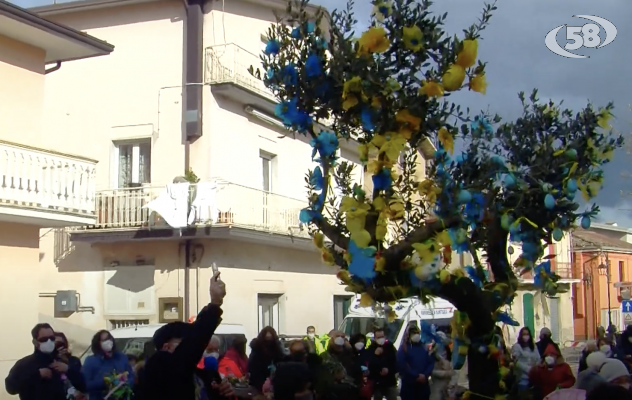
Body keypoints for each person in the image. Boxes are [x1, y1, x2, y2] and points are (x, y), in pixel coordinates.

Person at [135, 270, 233, 400]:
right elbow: (194, 343)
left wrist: (221, 394)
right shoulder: (157, 367)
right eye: (185, 342)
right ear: (167, 347)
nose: (197, 348)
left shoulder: (199, 374)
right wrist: (215, 304)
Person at [5, 323, 86, 400]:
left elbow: (84, 385)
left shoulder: (64, 361)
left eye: (52, 338)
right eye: (44, 339)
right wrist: (37, 375)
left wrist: (68, 369)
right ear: (35, 342)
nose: (49, 341)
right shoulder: (25, 364)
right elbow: (11, 388)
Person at [82, 329, 134, 400]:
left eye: (109, 338)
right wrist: (106, 382)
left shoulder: (121, 357)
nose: (108, 342)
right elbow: (86, 384)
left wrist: (124, 383)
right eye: (104, 340)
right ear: (98, 343)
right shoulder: (91, 361)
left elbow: (131, 376)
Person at [315, 330, 361, 400]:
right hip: (331, 393)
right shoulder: (324, 356)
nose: (340, 338)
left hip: (350, 392)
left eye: (342, 337)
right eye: (337, 336)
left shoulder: (350, 355)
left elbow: (357, 372)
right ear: (331, 338)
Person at [397, 324, 434, 400]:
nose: (416, 335)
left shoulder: (424, 347)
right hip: (409, 386)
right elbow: (402, 364)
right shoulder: (404, 348)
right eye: (413, 333)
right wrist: (416, 376)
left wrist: (425, 375)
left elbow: (430, 362)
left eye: (417, 333)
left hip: (423, 386)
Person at [248, 326, 285, 393]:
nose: (268, 342)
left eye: (270, 339)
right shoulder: (256, 353)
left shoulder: (277, 353)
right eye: (267, 338)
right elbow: (254, 372)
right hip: (258, 388)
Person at [367, 328, 397, 400]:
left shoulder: (390, 347)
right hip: (377, 382)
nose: (381, 339)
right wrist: (376, 356)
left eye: (382, 337)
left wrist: (388, 370)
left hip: (390, 381)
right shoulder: (370, 349)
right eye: (378, 337)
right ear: (374, 338)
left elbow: (395, 362)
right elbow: (369, 365)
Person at [54, 332, 86, 398]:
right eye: (57, 344)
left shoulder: (74, 360)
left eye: (61, 344)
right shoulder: (50, 361)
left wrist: (68, 367)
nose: (59, 347)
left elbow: (82, 383)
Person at [511, 326, 541, 391]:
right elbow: (516, 361)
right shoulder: (517, 346)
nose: (526, 336)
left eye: (527, 334)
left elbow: (538, 358)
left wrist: (535, 368)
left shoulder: (533, 346)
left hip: (534, 376)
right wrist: (529, 370)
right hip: (522, 377)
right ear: (520, 336)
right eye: (524, 334)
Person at [429, 331, 456, 400]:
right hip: (437, 388)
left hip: (446, 387)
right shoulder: (432, 356)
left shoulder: (448, 354)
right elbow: (432, 371)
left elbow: (453, 373)